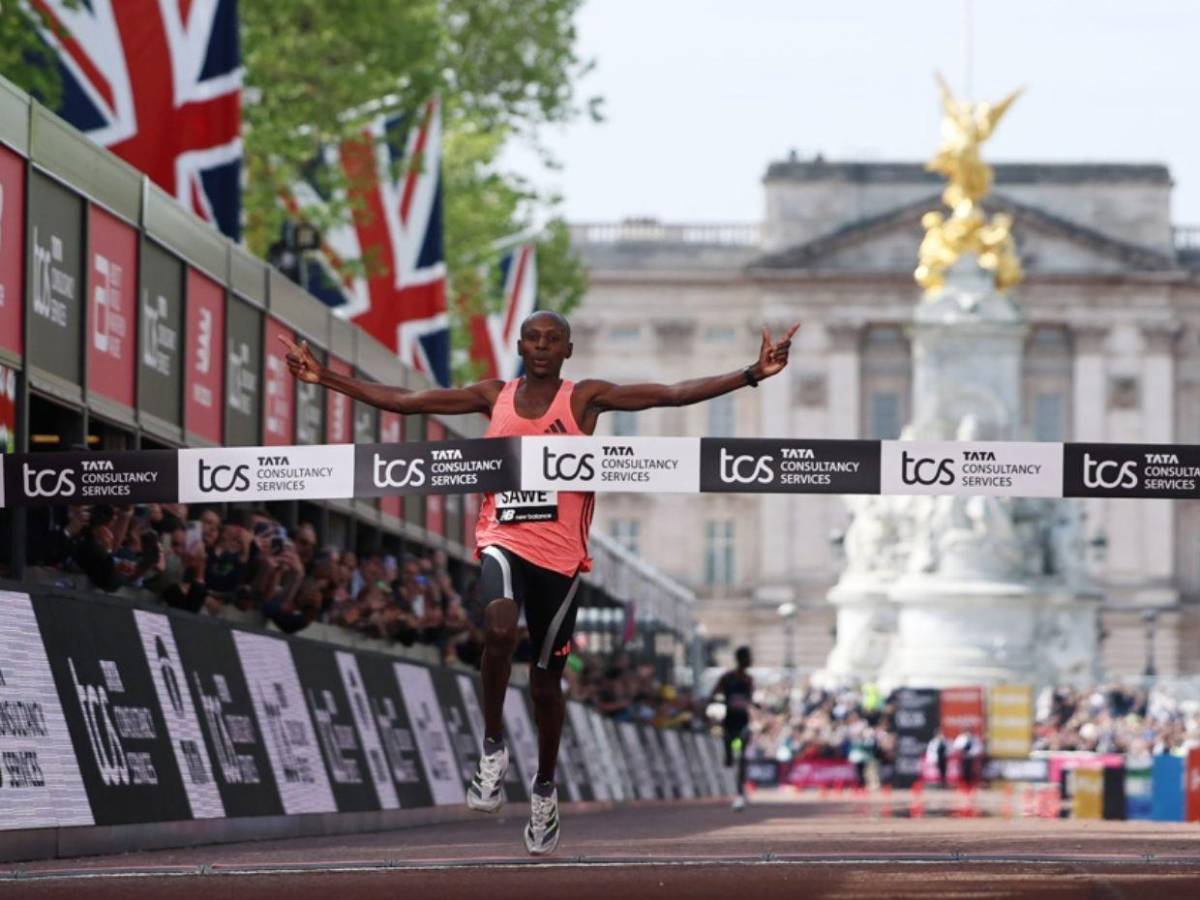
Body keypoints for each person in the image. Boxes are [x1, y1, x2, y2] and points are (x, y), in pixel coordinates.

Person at [281, 310, 797, 854]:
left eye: (553, 339)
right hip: (502, 539)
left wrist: (750, 374)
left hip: (561, 560)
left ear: (568, 350)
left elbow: (667, 394)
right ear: (521, 347)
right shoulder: (494, 396)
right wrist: (325, 377)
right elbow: (410, 400)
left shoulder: (585, 399)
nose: (543, 346)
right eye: (533, 338)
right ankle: (492, 748)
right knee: (499, 628)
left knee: (547, 684)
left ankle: (545, 788)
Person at [710, 645, 756, 811]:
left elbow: (749, 698)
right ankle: (730, 756)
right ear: (741, 659)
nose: (750, 660)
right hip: (729, 722)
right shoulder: (727, 678)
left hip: (743, 722)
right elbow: (714, 694)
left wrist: (752, 704)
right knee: (729, 758)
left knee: (742, 755)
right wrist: (722, 701)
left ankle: (740, 792)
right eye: (748, 657)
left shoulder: (749, 679)